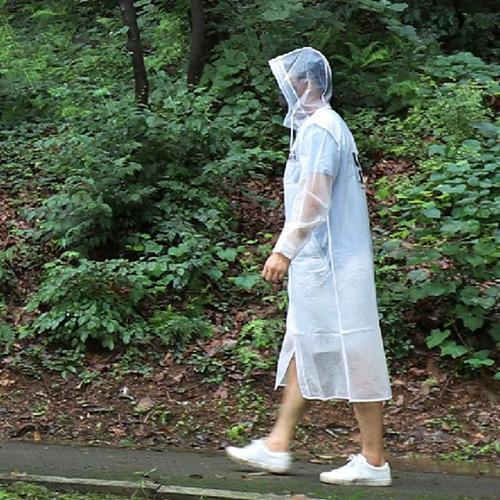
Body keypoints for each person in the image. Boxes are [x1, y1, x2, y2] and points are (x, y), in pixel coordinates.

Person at [225, 47, 393, 487]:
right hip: (323, 262)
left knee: (355, 350)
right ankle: (278, 444)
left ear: (309, 84)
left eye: (292, 82)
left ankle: (374, 461)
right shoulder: (320, 128)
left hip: (335, 264)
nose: (287, 90)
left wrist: (284, 250)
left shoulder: (321, 129)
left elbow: (314, 198)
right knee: (305, 343)